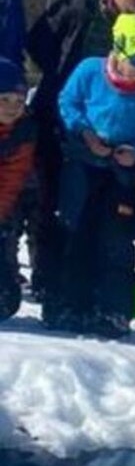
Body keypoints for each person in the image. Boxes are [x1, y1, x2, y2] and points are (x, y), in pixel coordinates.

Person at [25, 0, 135, 325]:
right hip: (66, 117)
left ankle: (97, 298)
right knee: (57, 205)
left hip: (121, 139)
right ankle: (53, 286)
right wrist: (71, 82)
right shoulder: (82, 6)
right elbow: (40, 40)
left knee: (105, 223)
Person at [52, 11, 135, 334]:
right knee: (76, 231)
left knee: (116, 240)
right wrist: (85, 134)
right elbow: (68, 103)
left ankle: (114, 310)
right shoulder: (90, 71)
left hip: (123, 172)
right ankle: (70, 303)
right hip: (84, 163)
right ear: (118, 51)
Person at [0, 56, 36, 320]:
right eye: (4, 100)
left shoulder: (22, 132)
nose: (12, 108)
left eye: (19, 101)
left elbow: (12, 180)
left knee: (6, 301)